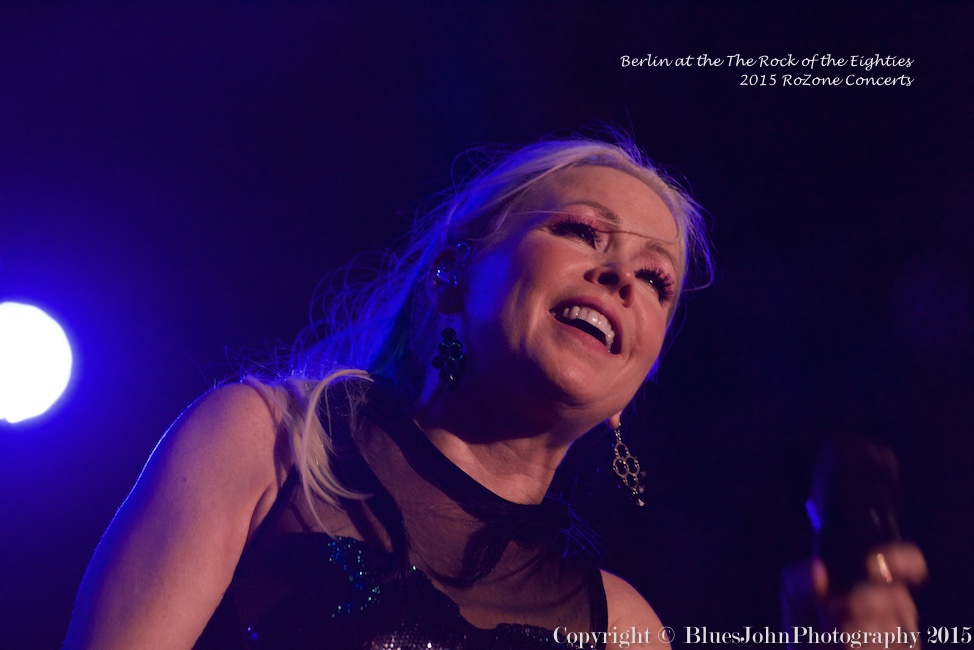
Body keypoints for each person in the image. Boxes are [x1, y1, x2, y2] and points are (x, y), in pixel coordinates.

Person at [64, 133, 924, 649]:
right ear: (454, 270)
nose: (620, 275)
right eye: (581, 232)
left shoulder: (624, 627)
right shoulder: (268, 443)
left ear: (635, 387)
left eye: (657, 281)